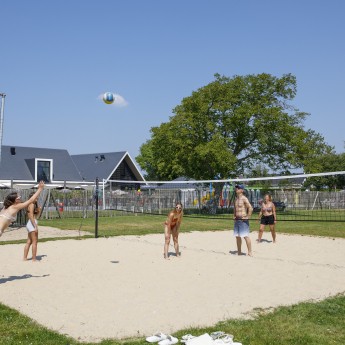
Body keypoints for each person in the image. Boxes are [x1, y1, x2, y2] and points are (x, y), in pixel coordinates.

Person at [233, 184, 253, 256]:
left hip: (243, 220)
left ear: (242, 190)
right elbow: (235, 209)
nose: (236, 189)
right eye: (236, 188)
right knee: (237, 236)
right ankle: (239, 252)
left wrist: (248, 216)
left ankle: (250, 252)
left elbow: (250, 208)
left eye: (238, 188)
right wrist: (234, 216)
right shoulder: (236, 199)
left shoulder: (244, 198)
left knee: (245, 236)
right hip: (237, 220)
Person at [23, 191, 42, 261]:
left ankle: (25, 258)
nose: (37, 197)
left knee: (29, 241)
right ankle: (34, 258)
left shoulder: (30, 204)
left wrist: (38, 211)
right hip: (32, 223)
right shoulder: (32, 204)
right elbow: (31, 216)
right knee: (35, 242)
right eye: (35, 196)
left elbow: (34, 215)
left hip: (30, 223)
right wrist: (35, 226)